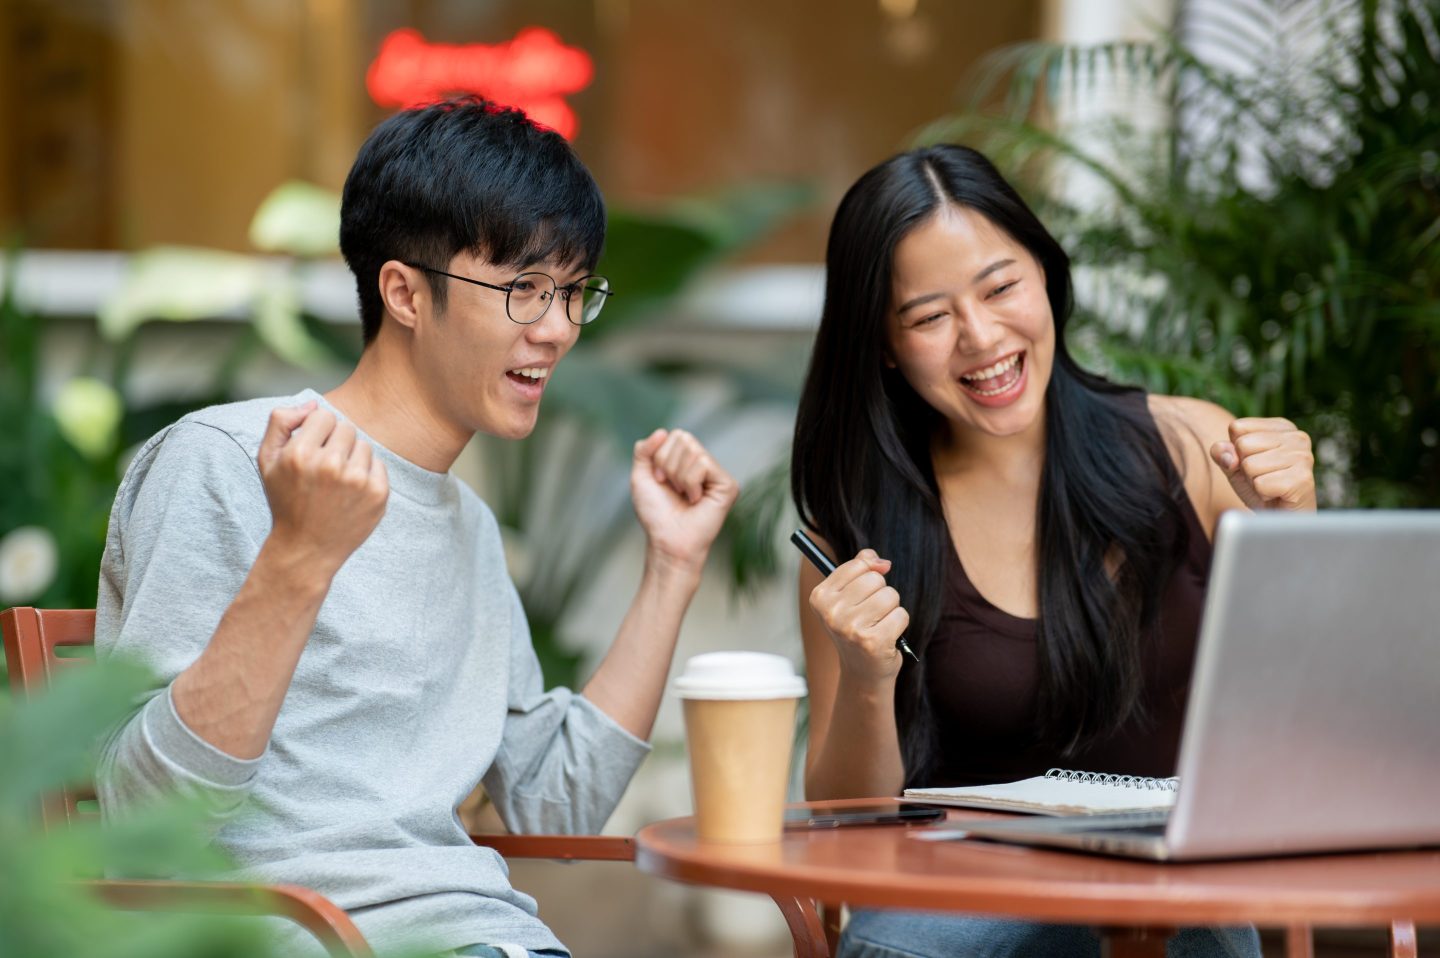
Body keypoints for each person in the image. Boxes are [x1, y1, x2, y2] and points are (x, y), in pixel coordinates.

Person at [95, 97, 738, 958]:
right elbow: (147, 818)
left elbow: (554, 804)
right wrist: (299, 557)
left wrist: (672, 567)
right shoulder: (230, 461)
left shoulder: (468, 525)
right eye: (522, 290)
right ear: (403, 292)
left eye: (571, 292)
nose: (557, 330)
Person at [790, 144, 1315, 958]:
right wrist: (867, 677)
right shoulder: (850, 532)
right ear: (884, 345)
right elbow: (845, 828)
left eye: (1001, 287)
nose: (980, 337)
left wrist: (1294, 526)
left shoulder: (1194, 449)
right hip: (964, 899)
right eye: (929, 317)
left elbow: (1314, 719)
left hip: (1178, 889)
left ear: (1045, 274)